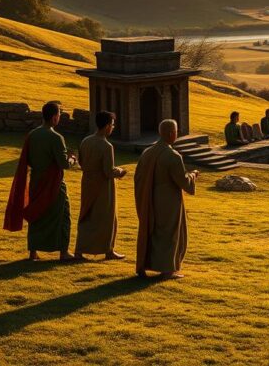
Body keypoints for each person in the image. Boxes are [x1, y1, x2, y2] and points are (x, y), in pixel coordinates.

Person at [4, 101, 76, 262]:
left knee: (36, 214)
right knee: (63, 215)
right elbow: (63, 163)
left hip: (36, 181)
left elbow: (27, 160)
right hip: (53, 183)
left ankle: (33, 252)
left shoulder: (32, 135)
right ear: (53, 117)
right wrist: (72, 159)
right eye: (58, 115)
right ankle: (63, 251)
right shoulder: (56, 137)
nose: (59, 118)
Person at [134, 119, 199, 279]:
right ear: (171, 134)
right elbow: (183, 182)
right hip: (168, 200)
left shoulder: (147, 152)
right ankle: (167, 270)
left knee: (152, 231)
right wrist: (193, 175)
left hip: (149, 198)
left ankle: (145, 265)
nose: (177, 134)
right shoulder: (173, 155)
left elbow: (138, 177)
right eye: (176, 132)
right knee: (169, 233)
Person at [74, 111, 127, 260]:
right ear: (107, 126)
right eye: (113, 124)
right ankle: (108, 249)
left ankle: (80, 249)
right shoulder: (106, 145)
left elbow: (81, 162)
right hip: (103, 186)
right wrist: (120, 172)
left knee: (86, 214)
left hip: (87, 182)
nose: (113, 127)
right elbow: (108, 171)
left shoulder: (86, 140)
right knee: (106, 217)